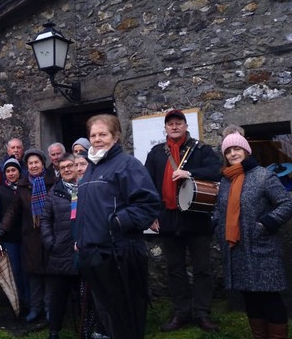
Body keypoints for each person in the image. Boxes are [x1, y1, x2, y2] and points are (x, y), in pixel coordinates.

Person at [75, 114, 162, 339]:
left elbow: (148, 204)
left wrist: (117, 223)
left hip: (120, 253)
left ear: (115, 136)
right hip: (94, 254)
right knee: (107, 315)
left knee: (126, 318)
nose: (97, 139)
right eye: (93, 135)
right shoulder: (90, 168)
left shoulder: (127, 165)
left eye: (103, 134)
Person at [144, 109, 222, 332]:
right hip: (168, 219)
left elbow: (217, 170)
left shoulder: (200, 149)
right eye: (170, 124)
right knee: (175, 269)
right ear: (166, 128)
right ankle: (181, 313)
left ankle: (202, 313)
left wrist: (189, 173)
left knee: (202, 269)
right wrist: (151, 215)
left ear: (186, 126)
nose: (174, 126)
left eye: (179, 123)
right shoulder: (156, 153)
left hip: (197, 218)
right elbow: (146, 186)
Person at [216, 132, 292, 339]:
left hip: (261, 247)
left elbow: (287, 204)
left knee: (270, 298)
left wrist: (265, 224)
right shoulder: (225, 180)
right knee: (250, 298)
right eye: (228, 151)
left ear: (246, 150)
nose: (233, 154)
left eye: (237, 149)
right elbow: (220, 209)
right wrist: (216, 225)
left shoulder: (263, 176)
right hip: (238, 250)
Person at [0, 148, 56, 322]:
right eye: (30, 163)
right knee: (34, 275)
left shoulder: (53, 182)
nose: (34, 165)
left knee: (50, 275)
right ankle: (36, 309)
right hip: (31, 237)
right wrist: (2, 229)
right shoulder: (23, 186)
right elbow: (13, 210)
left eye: (37, 162)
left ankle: (50, 309)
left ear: (43, 164)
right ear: (26, 166)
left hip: (50, 235)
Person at [41, 154, 80, 339]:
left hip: (83, 251)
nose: (66, 169)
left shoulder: (85, 188)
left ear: (76, 167)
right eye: (63, 167)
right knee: (58, 296)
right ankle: (54, 331)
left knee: (84, 295)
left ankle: (84, 330)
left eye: (70, 166)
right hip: (60, 253)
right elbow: (45, 219)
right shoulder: (54, 192)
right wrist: (50, 242)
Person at [0, 157, 29, 315]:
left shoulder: (25, 187)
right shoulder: (0, 190)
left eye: (14, 170)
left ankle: (30, 301)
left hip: (26, 234)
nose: (11, 173)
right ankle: (17, 301)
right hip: (9, 236)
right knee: (15, 270)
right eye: (8, 171)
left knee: (27, 269)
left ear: (19, 172)